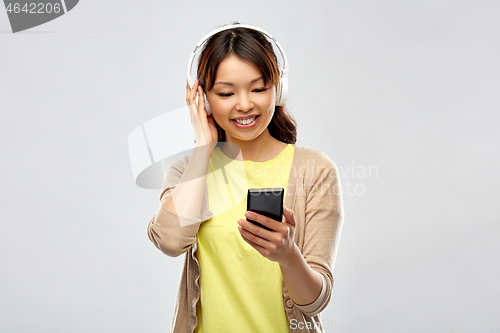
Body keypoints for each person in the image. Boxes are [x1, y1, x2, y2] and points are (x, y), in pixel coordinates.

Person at [147, 22, 344, 333]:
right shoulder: (188, 171)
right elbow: (170, 242)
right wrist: (204, 149)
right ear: (203, 98)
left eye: (258, 88)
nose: (244, 104)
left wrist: (288, 255)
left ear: (278, 89)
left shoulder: (315, 170)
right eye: (226, 92)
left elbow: (314, 302)